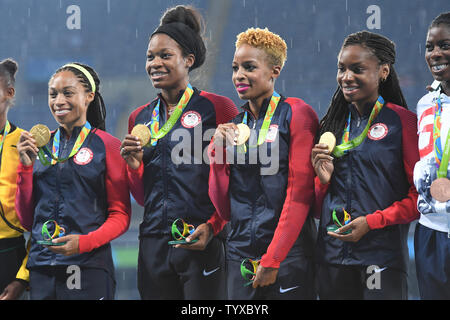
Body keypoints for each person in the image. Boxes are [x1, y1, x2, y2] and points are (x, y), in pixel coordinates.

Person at [120, 5, 238, 300]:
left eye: (165, 55)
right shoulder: (140, 117)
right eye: (150, 57)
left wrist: (213, 227)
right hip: (153, 243)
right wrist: (134, 167)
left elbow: (239, 181)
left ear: (189, 60)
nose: (155, 63)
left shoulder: (218, 108)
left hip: (201, 238)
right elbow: (143, 196)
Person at [194, 27, 318, 300]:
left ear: (275, 71)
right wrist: (216, 156)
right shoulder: (234, 126)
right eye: (235, 67)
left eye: (249, 67)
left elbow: (299, 195)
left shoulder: (296, 113)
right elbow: (224, 208)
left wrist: (274, 259)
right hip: (240, 255)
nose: (239, 75)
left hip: (288, 255)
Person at [311, 31, 420, 300]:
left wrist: (372, 222)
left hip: (381, 259)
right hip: (332, 259)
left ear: (383, 71)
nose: (346, 77)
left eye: (357, 69)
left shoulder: (403, 122)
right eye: (341, 69)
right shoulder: (330, 126)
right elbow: (315, 208)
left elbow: (419, 199)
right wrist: (321, 183)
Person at [15, 62, 131, 300]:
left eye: (68, 93)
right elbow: (28, 220)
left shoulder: (109, 146)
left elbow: (120, 215)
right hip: (42, 268)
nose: (58, 101)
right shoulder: (38, 147)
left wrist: (85, 243)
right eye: (53, 94)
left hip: (88, 267)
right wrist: (25, 168)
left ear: (89, 96)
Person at [413, 11, 450, 300]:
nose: (435, 53)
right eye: (430, 47)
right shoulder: (427, 102)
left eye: (445, 45)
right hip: (430, 230)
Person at [0, 58, 29, 300]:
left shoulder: (26, 143)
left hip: (10, 252)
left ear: (9, 93)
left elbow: (43, 215)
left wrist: (22, 277)